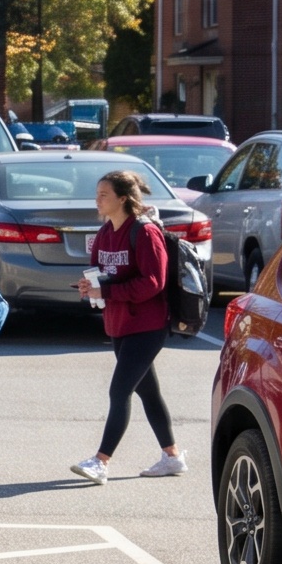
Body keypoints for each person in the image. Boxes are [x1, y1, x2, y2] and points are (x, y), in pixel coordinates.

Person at [72, 169, 187, 483]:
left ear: (123, 198)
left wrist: (106, 291)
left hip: (148, 325)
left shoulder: (145, 232)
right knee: (147, 392)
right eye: (97, 194)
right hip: (119, 323)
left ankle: (101, 461)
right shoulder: (106, 232)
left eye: (103, 195)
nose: (97, 200)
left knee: (119, 390)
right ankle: (172, 456)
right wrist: (88, 285)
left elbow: (154, 282)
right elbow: (99, 272)